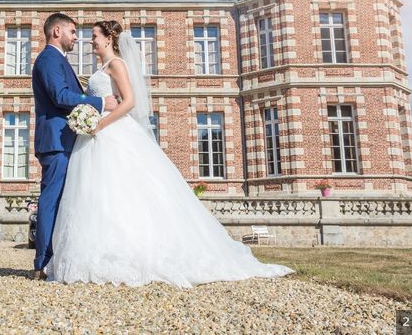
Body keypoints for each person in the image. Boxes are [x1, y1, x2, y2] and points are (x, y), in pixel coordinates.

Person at [44, 20, 293, 287]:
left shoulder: (116, 64)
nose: (89, 40)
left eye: (94, 36)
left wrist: (99, 124)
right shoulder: (102, 68)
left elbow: (129, 102)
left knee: (117, 190)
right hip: (96, 135)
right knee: (96, 193)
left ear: (108, 39)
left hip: (110, 131)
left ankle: (124, 254)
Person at [30, 13, 118, 280]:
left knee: (63, 200)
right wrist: (102, 104)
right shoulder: (48, 59)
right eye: (72, 31)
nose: (76, 37)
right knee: (51, 200)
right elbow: (60, 96)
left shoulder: (58, 60)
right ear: (56, 31)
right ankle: (42, 262)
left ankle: (56, 258)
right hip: (56, 142)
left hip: (64, 140)